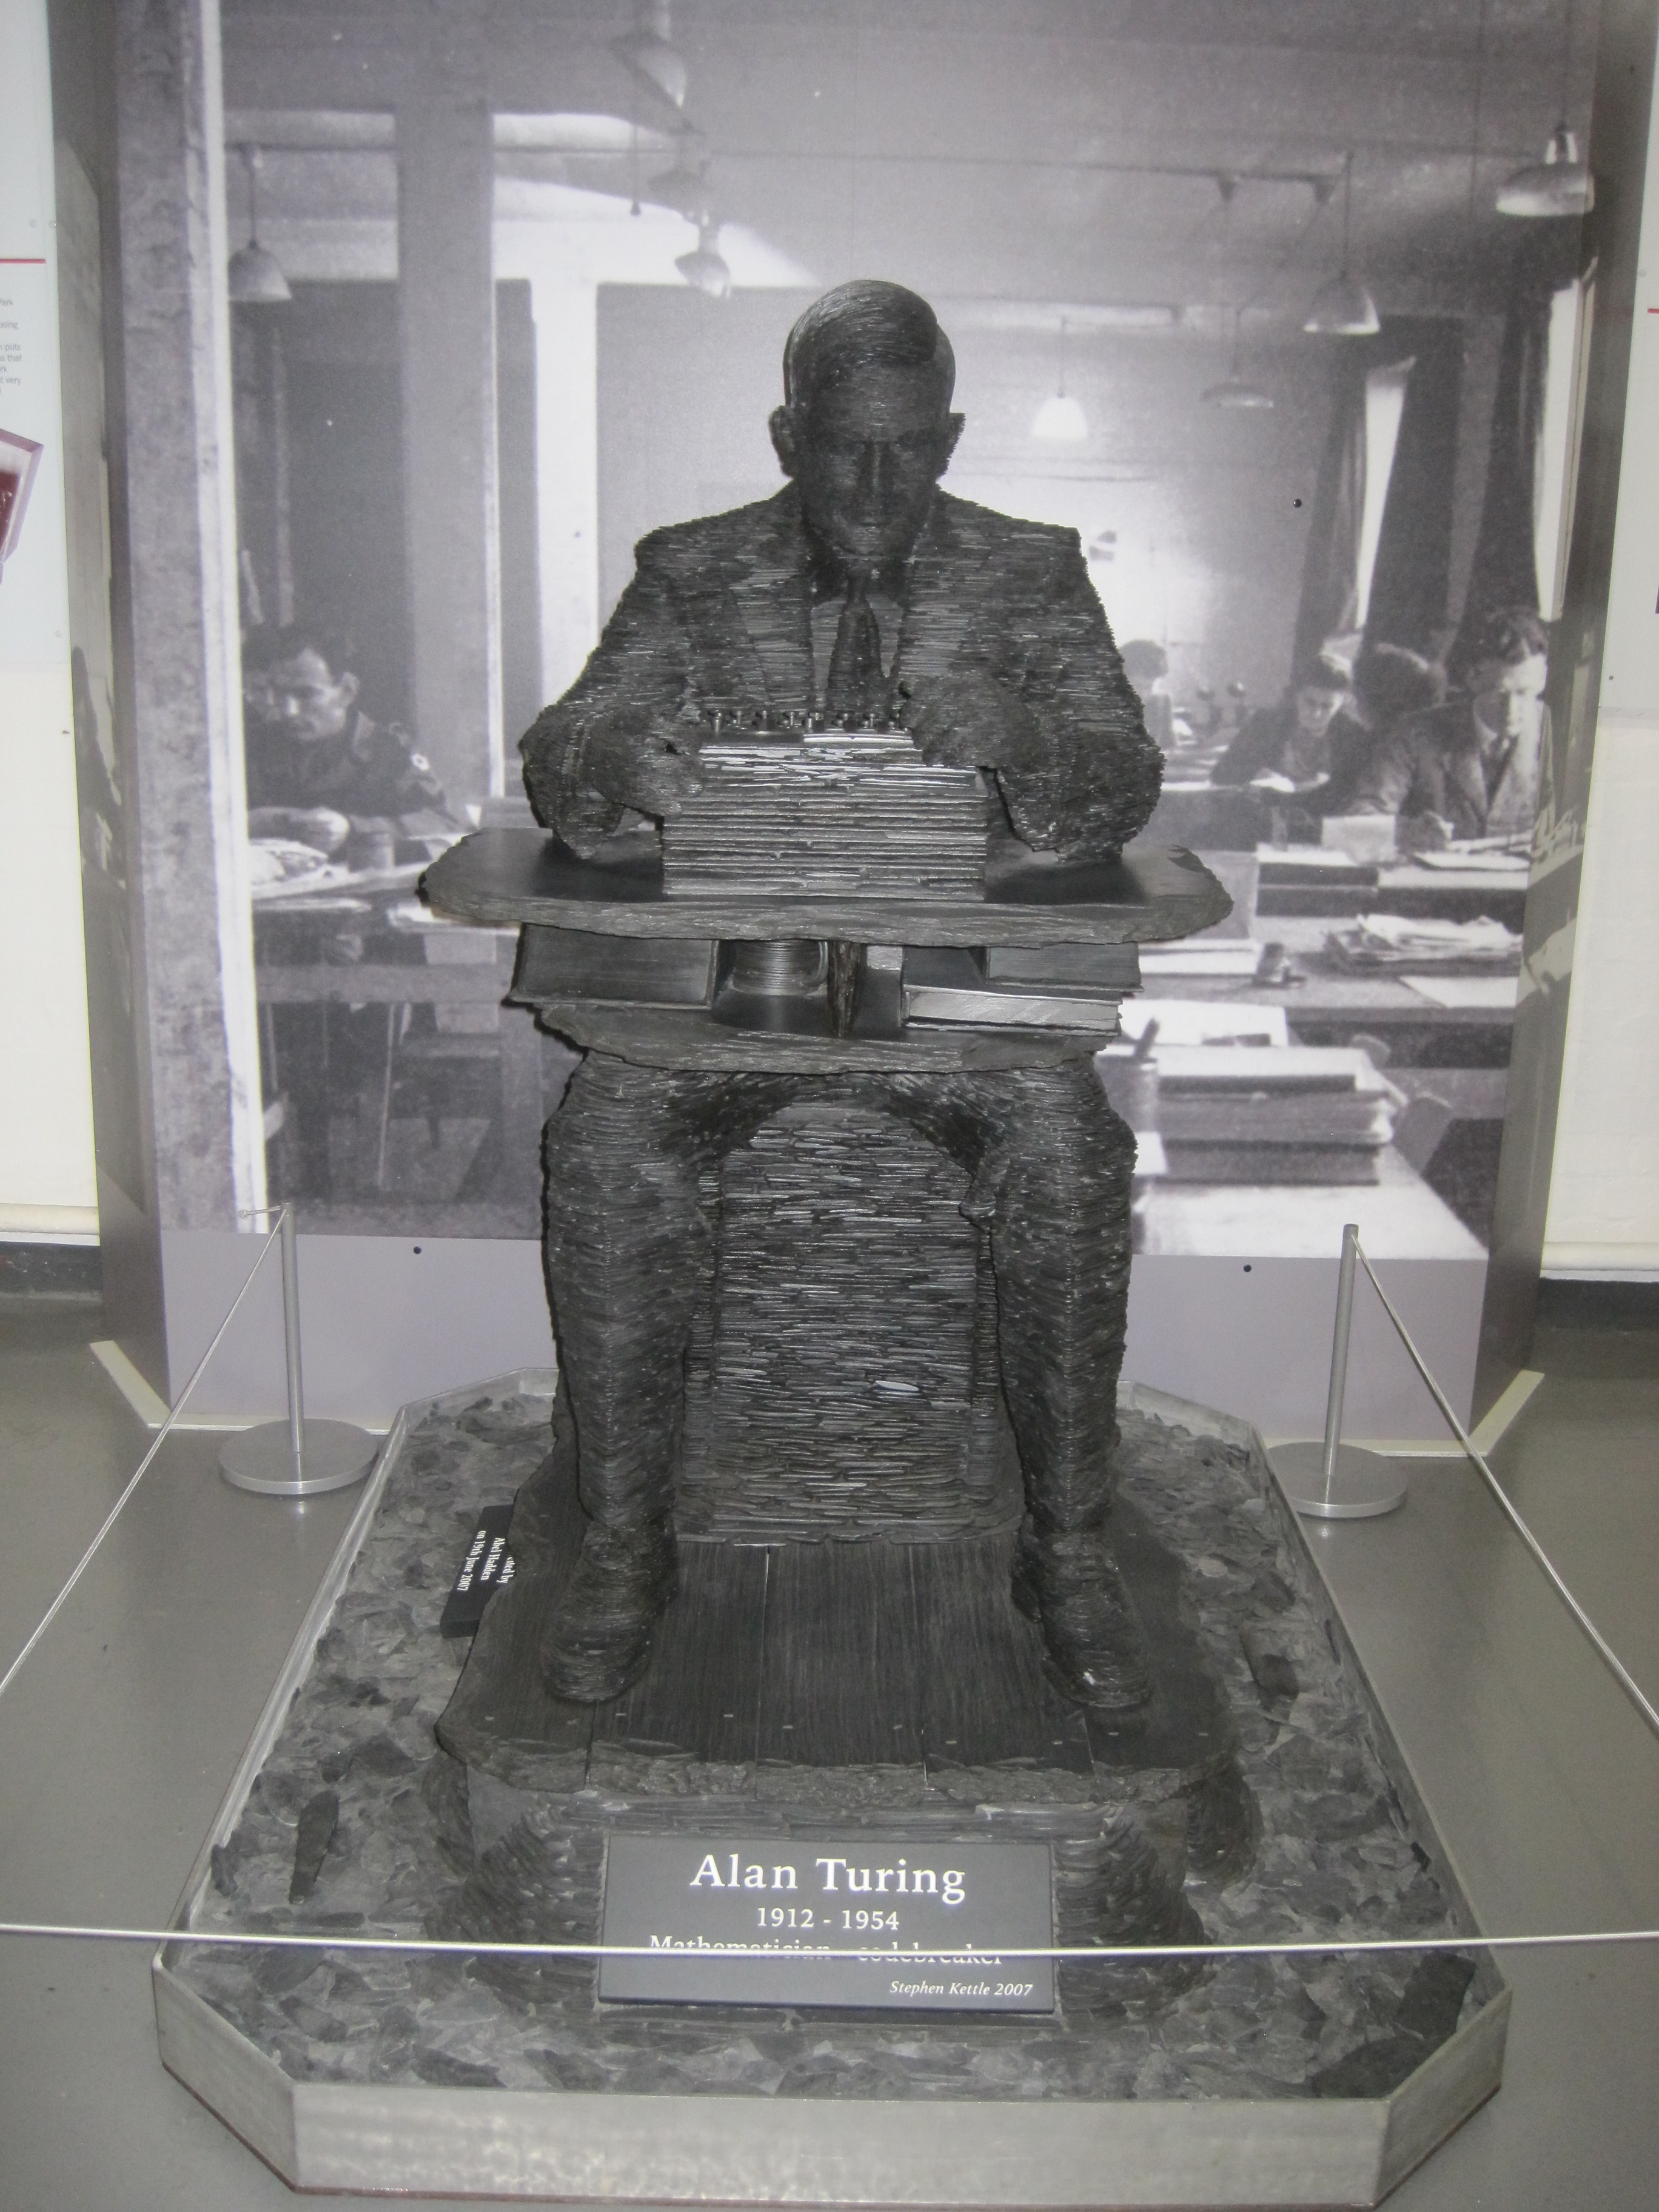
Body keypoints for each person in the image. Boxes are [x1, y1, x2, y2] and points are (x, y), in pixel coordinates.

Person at [520, 279, 1164, 1714]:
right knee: (610, 1147)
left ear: (945, 436)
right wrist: (618, 764)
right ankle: (627, 1547)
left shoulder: (1027, 572)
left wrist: (1023, 747)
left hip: (957, 995)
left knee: (1066, 1155)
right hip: (723, 989)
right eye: (840, 449)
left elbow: (1121, 777)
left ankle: (1063, 1547)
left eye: (907, 449)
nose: (875, 486)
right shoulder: (692, 573)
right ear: (784, 432)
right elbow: (568, 739)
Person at [242, 623, 454, 859]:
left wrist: (352, 828)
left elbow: (445, 825)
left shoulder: (387, 750)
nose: (289, 710)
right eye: (280, 693)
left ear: (346, 692)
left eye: (306, 695)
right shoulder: (256, 745)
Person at [1351, 606, 1549, 848]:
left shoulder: (1558, 736)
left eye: (1525, 694)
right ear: (1473, 678)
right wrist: (1406, 832)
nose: (1512, 710)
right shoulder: (1416, 732)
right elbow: (1360, 815)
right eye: (1500, 694)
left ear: (1543, 680)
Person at [1210, 642, 1369, 805]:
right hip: (1269, 810)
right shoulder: (1266, 723)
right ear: (1296, 694)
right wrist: (1255, 775)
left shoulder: (1353, 736)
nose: (1316, 714)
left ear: (1343, 702)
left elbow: (1359, 794)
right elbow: (1221, 775)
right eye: (1310, 702)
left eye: (1327, 706)